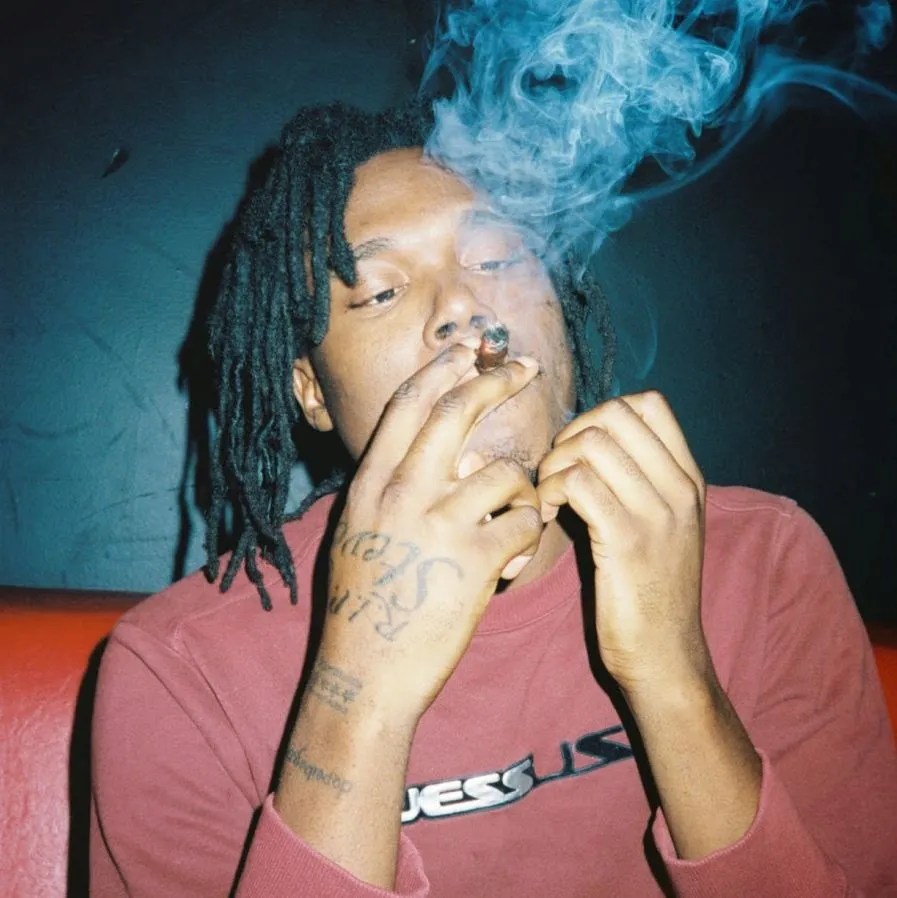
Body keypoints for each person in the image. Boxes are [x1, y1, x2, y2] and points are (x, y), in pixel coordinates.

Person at [90, 100, 897, 897]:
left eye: (498, 260)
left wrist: (673, 677)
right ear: (311, 391)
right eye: (379, 292)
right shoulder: (180, 672)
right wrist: (359, 695)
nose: (461, 308)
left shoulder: (762, 560)